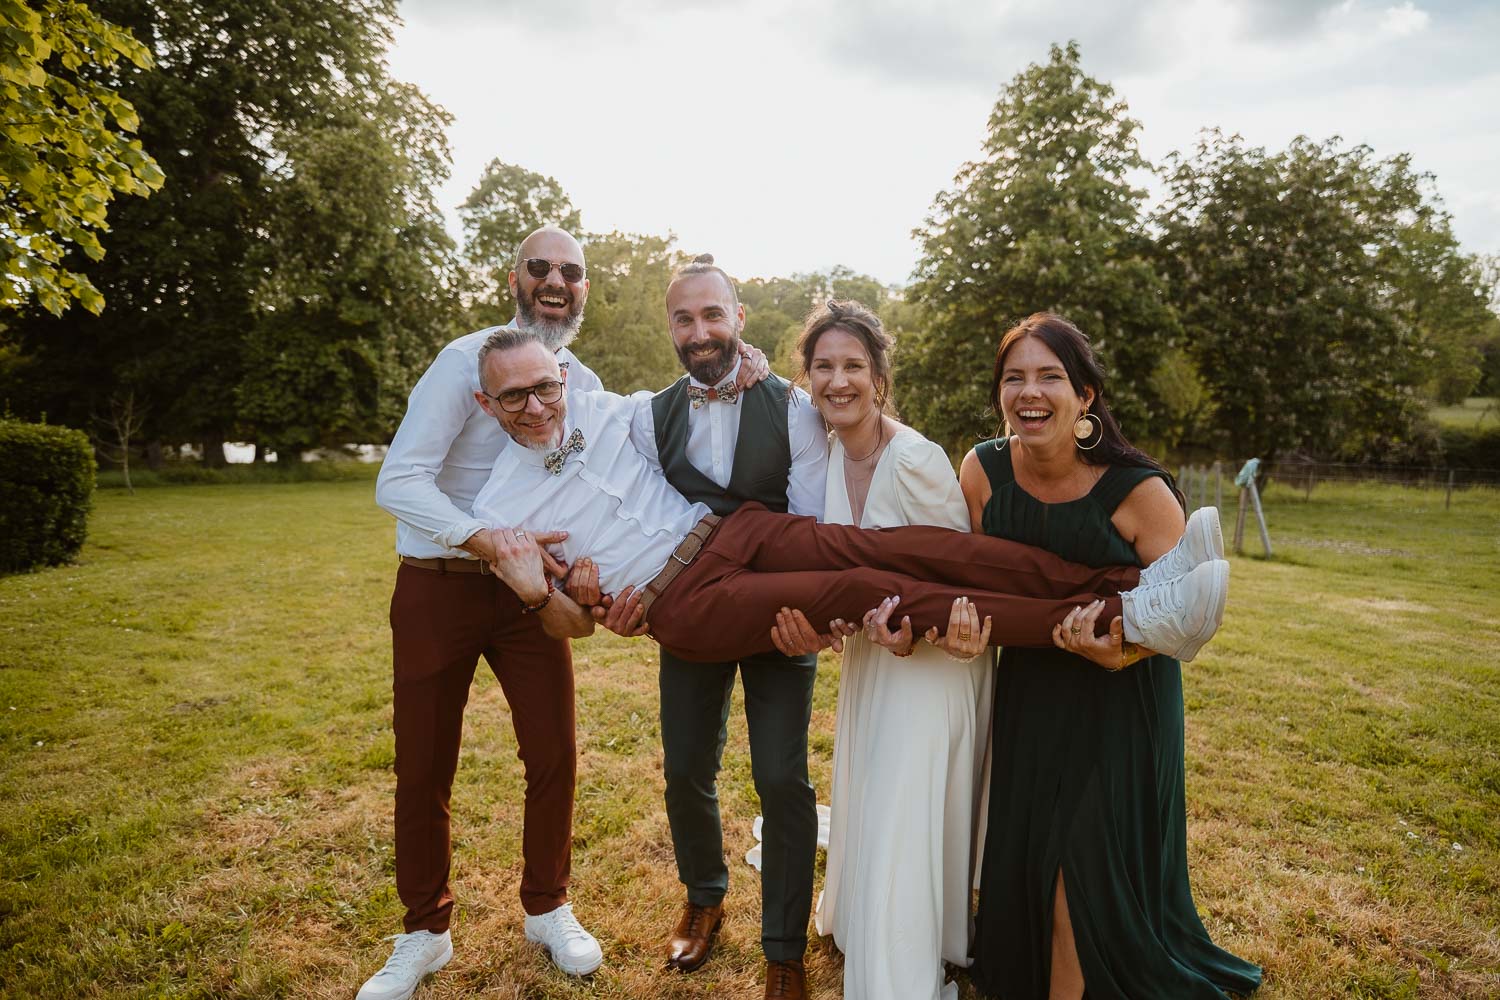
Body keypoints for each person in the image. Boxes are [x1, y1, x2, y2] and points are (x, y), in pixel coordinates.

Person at [365, 227, 768, 999]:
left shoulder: (570, 376)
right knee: (423, 761)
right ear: (513, 278)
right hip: (441, 579)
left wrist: (742, 367)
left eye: (572, 272)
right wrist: (491, 543)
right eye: (541, 268)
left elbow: (640, 428)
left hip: (531, 592)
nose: (557, 281)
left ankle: (547, 907)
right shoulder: (463, 362)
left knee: (552, 751)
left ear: (585, 289)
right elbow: (400, 479)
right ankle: (423, 931)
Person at [469, 326, 1228, 688]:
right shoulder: (497, 506)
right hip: (681, 600)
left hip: (731, 532)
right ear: (485, 402)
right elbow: (566, 625)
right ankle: (1124, 624)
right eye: (515, 396)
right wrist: (548, 593)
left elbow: (702, 391)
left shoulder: (605, 410)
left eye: (547, 387)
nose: (539, 406)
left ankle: (1130, 585)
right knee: (867, 591)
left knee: (902, 545)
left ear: (564, 376)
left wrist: (753, 367)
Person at [964, 313, 1262, 1000]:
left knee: (1080, 867)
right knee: (1031, 849)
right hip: (1031, 693)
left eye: (1049, 377)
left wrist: (1118, 657)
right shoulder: (980, 472)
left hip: (1123, 699)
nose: (1029, 393)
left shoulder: (1137, 490)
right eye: (1015, 379)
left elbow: (1184, 622)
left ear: (1086, 396)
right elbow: (971, 580)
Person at [768, 300, 994, 1000]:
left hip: (933, 667)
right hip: (870, 661)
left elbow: (961, 581)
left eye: (854, 367)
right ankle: (867, 912)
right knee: (876, 792)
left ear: (880, 378)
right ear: (807, 379)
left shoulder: (918, 460)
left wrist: (914, 636)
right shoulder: (822, 458)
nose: (839, 381)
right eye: (824, 367)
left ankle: (898, 972)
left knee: (902, 802)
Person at [625, 256, 829, 1000]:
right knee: (685, 767)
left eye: (714, 315)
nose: (700, 330)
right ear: (671, 328)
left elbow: (807, 525)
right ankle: (704, 897)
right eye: (685, 318)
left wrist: (807, 618)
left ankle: (784, 947)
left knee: (782, 777)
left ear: (739, 319)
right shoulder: (650, 417)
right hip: (692, 616)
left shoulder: (794, 407)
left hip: (777, 615)